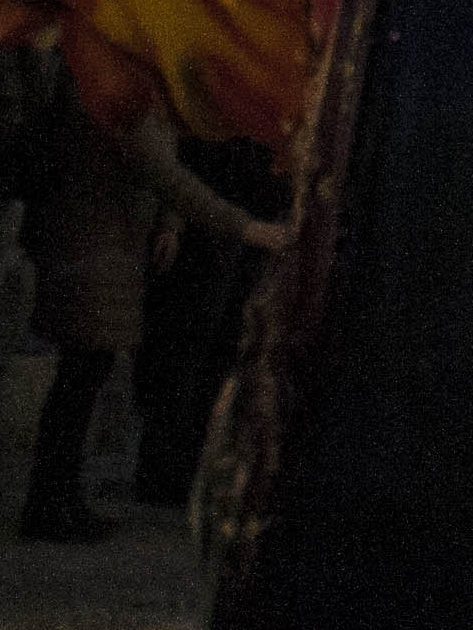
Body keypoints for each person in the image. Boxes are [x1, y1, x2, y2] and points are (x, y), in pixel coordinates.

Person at [18, 81, 282, 542]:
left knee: (83, 376)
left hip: (106, 241)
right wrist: (247, 227)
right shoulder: (122, 94)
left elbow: (163, 168)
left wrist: (171, 221)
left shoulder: (122, 88)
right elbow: (163, 171)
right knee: (79, 377)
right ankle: (50, 501)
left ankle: (58, 497)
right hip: (98, 244)